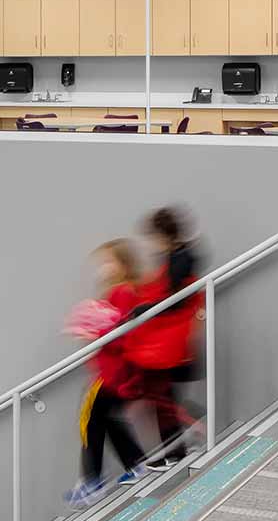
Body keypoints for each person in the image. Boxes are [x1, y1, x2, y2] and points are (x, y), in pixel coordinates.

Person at [68, 239, 152, 505]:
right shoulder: (121, 292)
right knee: (106, 418)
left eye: (107, 262)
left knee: (89, 416)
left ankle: (92, 480)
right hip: (116, 371)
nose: (102, 269)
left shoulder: (123, 293)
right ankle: (135, 462)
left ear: (122, 264)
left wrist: (93, 332)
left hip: (113, 372)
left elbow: (123, 335)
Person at [129, 205, 206, 449]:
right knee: (161, 395)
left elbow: (176, 301)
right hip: (170, 337)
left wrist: (144, 310)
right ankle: (177, 447)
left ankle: (185, 434)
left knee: (159, 396)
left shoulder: (180, 261)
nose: (150, 244)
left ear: (163, 235)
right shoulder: (177, 257)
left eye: (152, 238)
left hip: (170, 339)